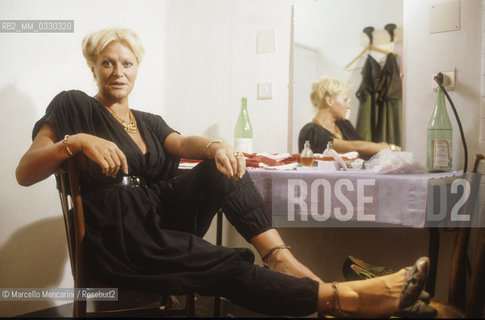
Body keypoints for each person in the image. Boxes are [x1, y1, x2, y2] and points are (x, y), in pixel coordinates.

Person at [16, 27, 427, 317]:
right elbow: (26, 171)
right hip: (120, 236)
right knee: (227, 264)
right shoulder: (74, 106)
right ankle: (349, 298)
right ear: (93, 68)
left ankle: (278, 256)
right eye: (107, 63)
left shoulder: (148, 120)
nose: (118, 72)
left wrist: (217, 147)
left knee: (226, 165)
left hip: (160, 218)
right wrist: (77, 142)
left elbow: (181, 143)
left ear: (137, 68)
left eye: (127, 63)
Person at [298, 77, 401, 157]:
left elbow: (364, 148)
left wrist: (379, 148)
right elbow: (355, 146)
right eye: (345, 100)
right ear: (329, 100)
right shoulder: (310, 132)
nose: (348, 106)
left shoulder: (344, 125)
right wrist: (387, 147)